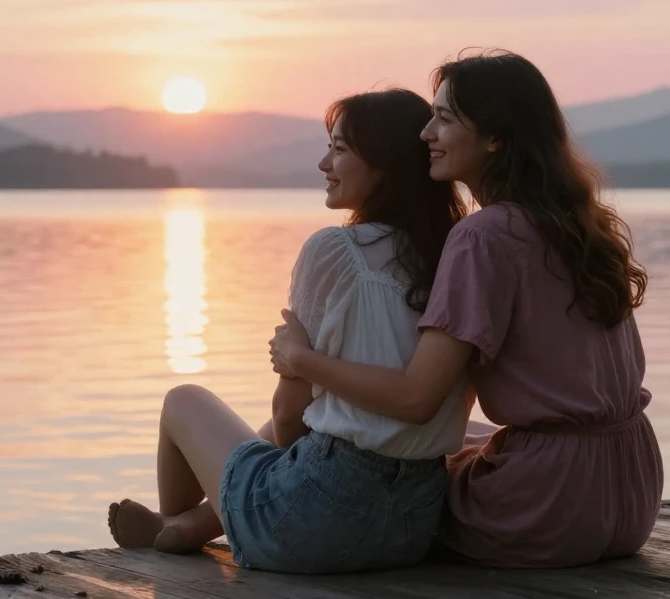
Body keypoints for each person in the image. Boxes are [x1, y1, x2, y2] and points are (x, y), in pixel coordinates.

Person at [271, 51, 663, 568]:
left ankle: (202, 520)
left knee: (385, 462)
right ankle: (189, 522)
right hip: (632, 491)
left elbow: (416, 400)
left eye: (445, 119)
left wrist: (302, 360)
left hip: (548, 509)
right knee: (467, 441)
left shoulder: (483, 236)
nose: (426, 133)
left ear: (495, 139)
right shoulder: (582, 225)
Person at [107, 88, 472, 573]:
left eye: (339, 150)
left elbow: (289, 418)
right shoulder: (458, 255)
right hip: (412, 524)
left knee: (183, 400)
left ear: (387, 165)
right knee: (303, 427)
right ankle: (186, 527)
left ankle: (176, 525)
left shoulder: (336, 251)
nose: (324, 163)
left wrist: (297, 367)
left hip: (315, 522)